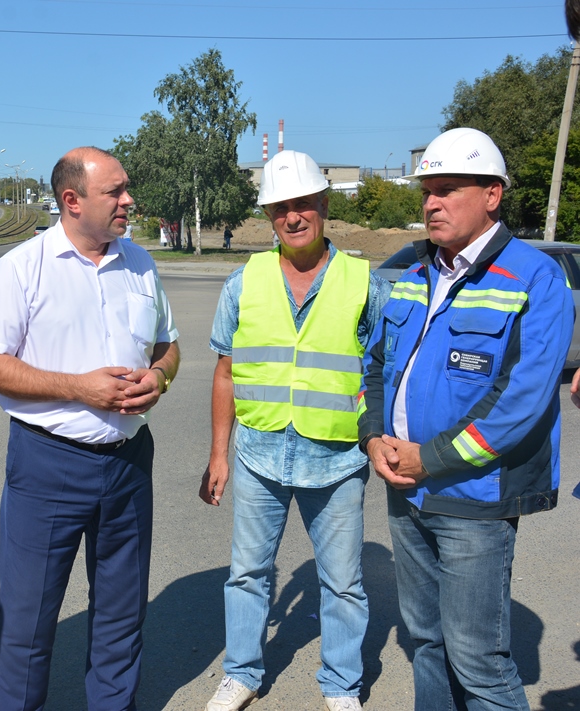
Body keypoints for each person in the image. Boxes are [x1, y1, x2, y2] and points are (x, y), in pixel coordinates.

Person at [360, 127, 573, 711]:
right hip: (405, 490)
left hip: (475, 498)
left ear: (492, 195)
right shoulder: (413, 278)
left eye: (448, 189)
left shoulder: (535, 278)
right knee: (426, 643)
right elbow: (374, 368)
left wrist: (428, 458)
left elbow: (520, 401)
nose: (431, 203)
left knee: (478, 660)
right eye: (427, 191)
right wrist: (374, 437)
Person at [0, 146, 180, 711]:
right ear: (71, 201)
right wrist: (78, 387)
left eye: (125, 188)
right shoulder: (21, 268)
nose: (128, 200)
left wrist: (159, 378)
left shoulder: (139, 262)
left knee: (121, 615)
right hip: (49, 464)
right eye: (115, 191)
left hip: (129, 463)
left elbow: (170, 345)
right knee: (28, 622)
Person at [200, 150, 388, 711]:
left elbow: (380, 370)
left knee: (344, 583)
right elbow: (226, 372)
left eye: (303, 204)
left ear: (324, 206)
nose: (293, 216)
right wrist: (218, 453)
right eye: (281, 208)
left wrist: (377, 439)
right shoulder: (243, 282)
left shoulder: (363, 282)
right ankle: (241, 673)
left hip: (336, 459)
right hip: (259, 453)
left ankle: (341, 684)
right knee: (248, 574)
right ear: (269, 215)